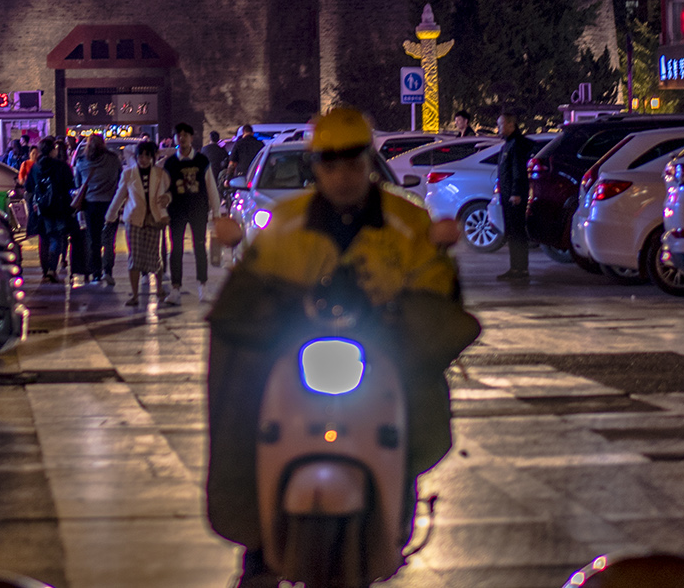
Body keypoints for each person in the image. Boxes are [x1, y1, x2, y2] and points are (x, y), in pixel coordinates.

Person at [205, 108, 480, 588]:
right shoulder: (286, 224)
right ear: (316, 167)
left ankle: (398, 505)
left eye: (352, 162)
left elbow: (437, 290)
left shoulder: (407, 222)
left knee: (420, 394)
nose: (342, 174)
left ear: (367, 162)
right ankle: (255, 536)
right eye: (330, 164)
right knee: (238, 390)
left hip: (379, 352)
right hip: (297, 352)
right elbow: (250, 285)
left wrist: (412, 287)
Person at [107, 138, 172, 307]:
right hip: (134, 220)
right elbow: (119, 196)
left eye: (146, 156)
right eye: (140, 156)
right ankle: (135, 295)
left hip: (154, 220)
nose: (143, 159)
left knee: (155, 257)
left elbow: (168, 193)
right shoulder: (128, 174)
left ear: (152, 157)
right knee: (134, 258)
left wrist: (168, 199)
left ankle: (159, 289)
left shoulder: (160, 174)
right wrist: (110, 216)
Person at [165, 122, 216, 304]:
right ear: (175, 138)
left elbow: (211, 187)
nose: (182, 137)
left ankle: (203, 287)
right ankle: (175, 289)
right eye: (179, 134)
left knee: (200, 248)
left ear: (191, 138)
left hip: (198, 210)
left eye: (186, 134)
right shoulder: (170, 163)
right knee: (176, 249)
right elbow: (164, 189)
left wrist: (216, 211)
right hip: (176, 211)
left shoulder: (202, 161)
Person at [29, 137, 78, 283]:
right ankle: (52, 269)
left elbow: (29, 187)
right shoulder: (61, 166)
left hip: (41, 208)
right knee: (56, 237)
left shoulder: (35, 167)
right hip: (58, 207)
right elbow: (71, 185)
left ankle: (45, 272)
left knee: (43, 239)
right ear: (52, 150)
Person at [74, 134, 120, 286]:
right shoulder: (114, 159)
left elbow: (78, 184)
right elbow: (120, 178)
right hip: (110, 204)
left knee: (93, 240)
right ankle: (108, 271)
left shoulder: (82, 161)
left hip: (90, 205)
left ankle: (96, 273)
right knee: (108, 240)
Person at [493, 109, 533, 280]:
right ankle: (515, 268)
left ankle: (520, 269)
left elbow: (518, 171)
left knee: (517, 233)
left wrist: (516, 192)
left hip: (514, 197)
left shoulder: (516, 144)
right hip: (508, 195)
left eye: (501, 125)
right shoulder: (508, 144)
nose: (498, 128)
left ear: (511, 125)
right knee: (512, 232)